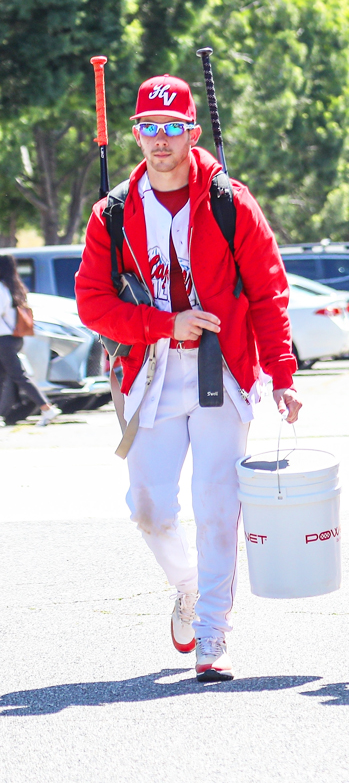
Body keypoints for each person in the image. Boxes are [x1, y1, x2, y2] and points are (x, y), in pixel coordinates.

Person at [76, 74, 301, 682]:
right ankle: (189, 587)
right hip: (148, 370)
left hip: (223, 372)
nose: (160, 141)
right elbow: (92, 304)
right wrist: (162, 324)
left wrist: (281, 371)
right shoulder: (114, 212)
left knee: (217, 502)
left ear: (192, 133)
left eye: (173, 128)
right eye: (149, 128)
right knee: (148, 506)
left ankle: (212, 633)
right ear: (136, 134)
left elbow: (268, 290)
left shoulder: (230, 200)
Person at [0, 255, 60, 427]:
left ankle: (47, 408)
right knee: (5, 377)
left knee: (19, 376)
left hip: (4, 340)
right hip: (14, 339)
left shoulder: (1, 289)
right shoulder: (15, 288)